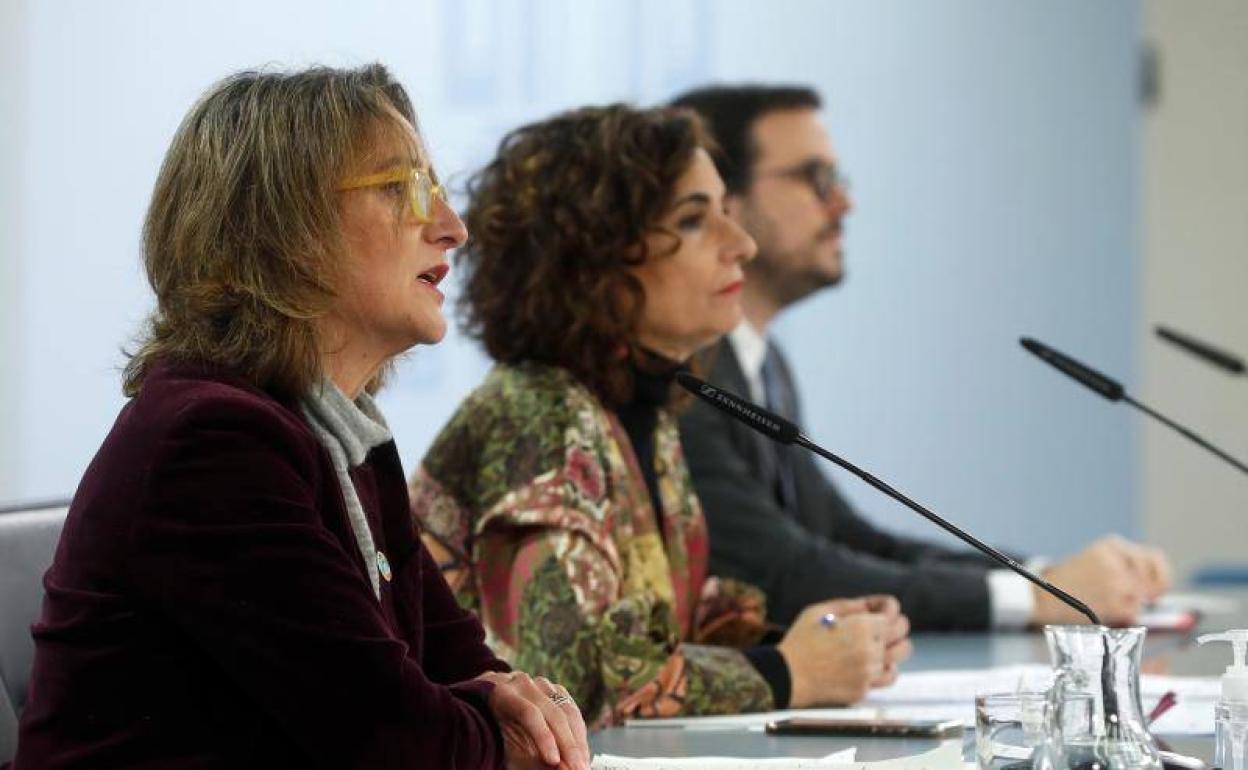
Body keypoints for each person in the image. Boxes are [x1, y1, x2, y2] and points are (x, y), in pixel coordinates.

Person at [10, 64, 591, 770]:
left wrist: (499, 715)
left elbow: (464, 672)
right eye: (398, 188)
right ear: (281, 228)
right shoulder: (208, 444)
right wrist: (494, 731)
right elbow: (400, 743)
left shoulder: (343, 434)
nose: (451, 228)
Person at [409, 104, 911, 728]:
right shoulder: (536, 413)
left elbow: (663, 627)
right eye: (696, 220)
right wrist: (789, 671)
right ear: (593, 260)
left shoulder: (644, 407)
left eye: (726, 212)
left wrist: (826, 638)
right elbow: (565, 680)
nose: (742, 246)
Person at [669, 84, 1173, 632]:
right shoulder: (686, 376)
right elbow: (784, 572)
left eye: (838, 180)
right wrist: (1034, 599)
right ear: (728, 203)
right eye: (816, 180)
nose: (843, 203)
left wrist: (1046, 577)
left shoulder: (764, 364)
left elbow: (845, 538)